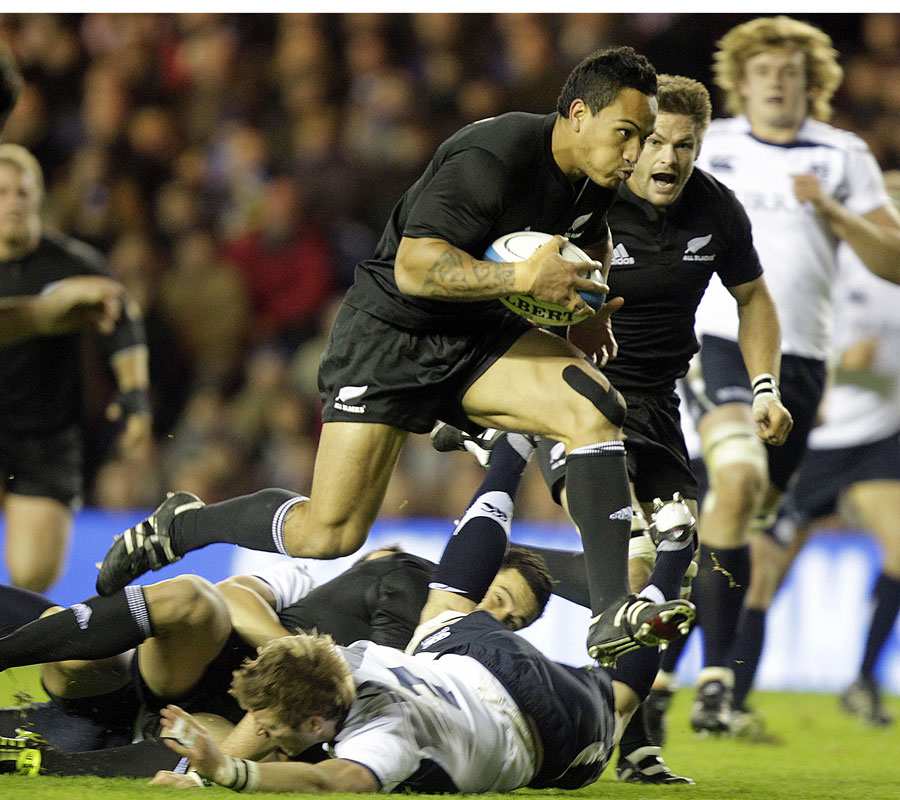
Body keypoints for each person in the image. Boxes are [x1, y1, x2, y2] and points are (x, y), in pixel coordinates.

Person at [95, 46, 687, 664]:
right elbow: (414, 267)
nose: (635, 154)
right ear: (578, 115)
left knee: (594, 406)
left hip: (478, 338)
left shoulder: (594, 176)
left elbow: (592, 234)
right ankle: (183, 525)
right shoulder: (492, 156)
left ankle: (610, 609)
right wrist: (522, 281)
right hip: (390, 339)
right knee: (329, 533)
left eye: (642, 138)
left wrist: (588, 311)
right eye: (626, 134)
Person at [433, 72, 791, 782]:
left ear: (700, 147)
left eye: (684, 146)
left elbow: (754, 298)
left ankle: (630, 739)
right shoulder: (586, 206)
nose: (668, 158)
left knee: (677, 559)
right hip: (581, 403)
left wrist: (764, 386)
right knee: (635, 559)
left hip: (657, 406)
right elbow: (510, 277)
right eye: (655, 141)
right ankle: (598, 729)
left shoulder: (717, 211)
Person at [147, 440, 695, 795]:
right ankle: (511, 455)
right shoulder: (348, 660)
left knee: (619, 705)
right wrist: (199, 773)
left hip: (540, 734)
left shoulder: (382, 737)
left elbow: (330, 782)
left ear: (316, 726)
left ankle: (675, 552)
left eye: (269, 730)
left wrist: (226, 771)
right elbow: (282, 697)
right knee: (445, 610)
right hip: (479, 662)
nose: (264, 735)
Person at [0, 440, 553, 778]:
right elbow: (236, 597)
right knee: (186, 601)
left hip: (247, 722)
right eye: (498, 598)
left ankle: (55, 762)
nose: (496, 619)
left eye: (514, 623)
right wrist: (298, 655)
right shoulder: (342, 575)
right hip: (189, 670)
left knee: (238, 752)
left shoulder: (452, 671)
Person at [681, 15, 900, 733]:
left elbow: (894, 261)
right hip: (718, 340)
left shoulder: (842, 156)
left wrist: (832, 209)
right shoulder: (711, 146)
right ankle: (712, 682)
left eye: (791, 72)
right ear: (741, 84)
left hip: (803, 363)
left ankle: (671, 677)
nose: (777, 82)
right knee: (737, 483)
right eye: (764, 71)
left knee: (741, 522)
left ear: (813, 84)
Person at [0, 144, 152, 592]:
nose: (13, 202)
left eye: (22, 192)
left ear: (39, 197)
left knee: (31, 579)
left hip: (45, 436)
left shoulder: (71, 263)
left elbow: (120, 314)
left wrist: (135, 395)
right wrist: (46, 311)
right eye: (2, 192)